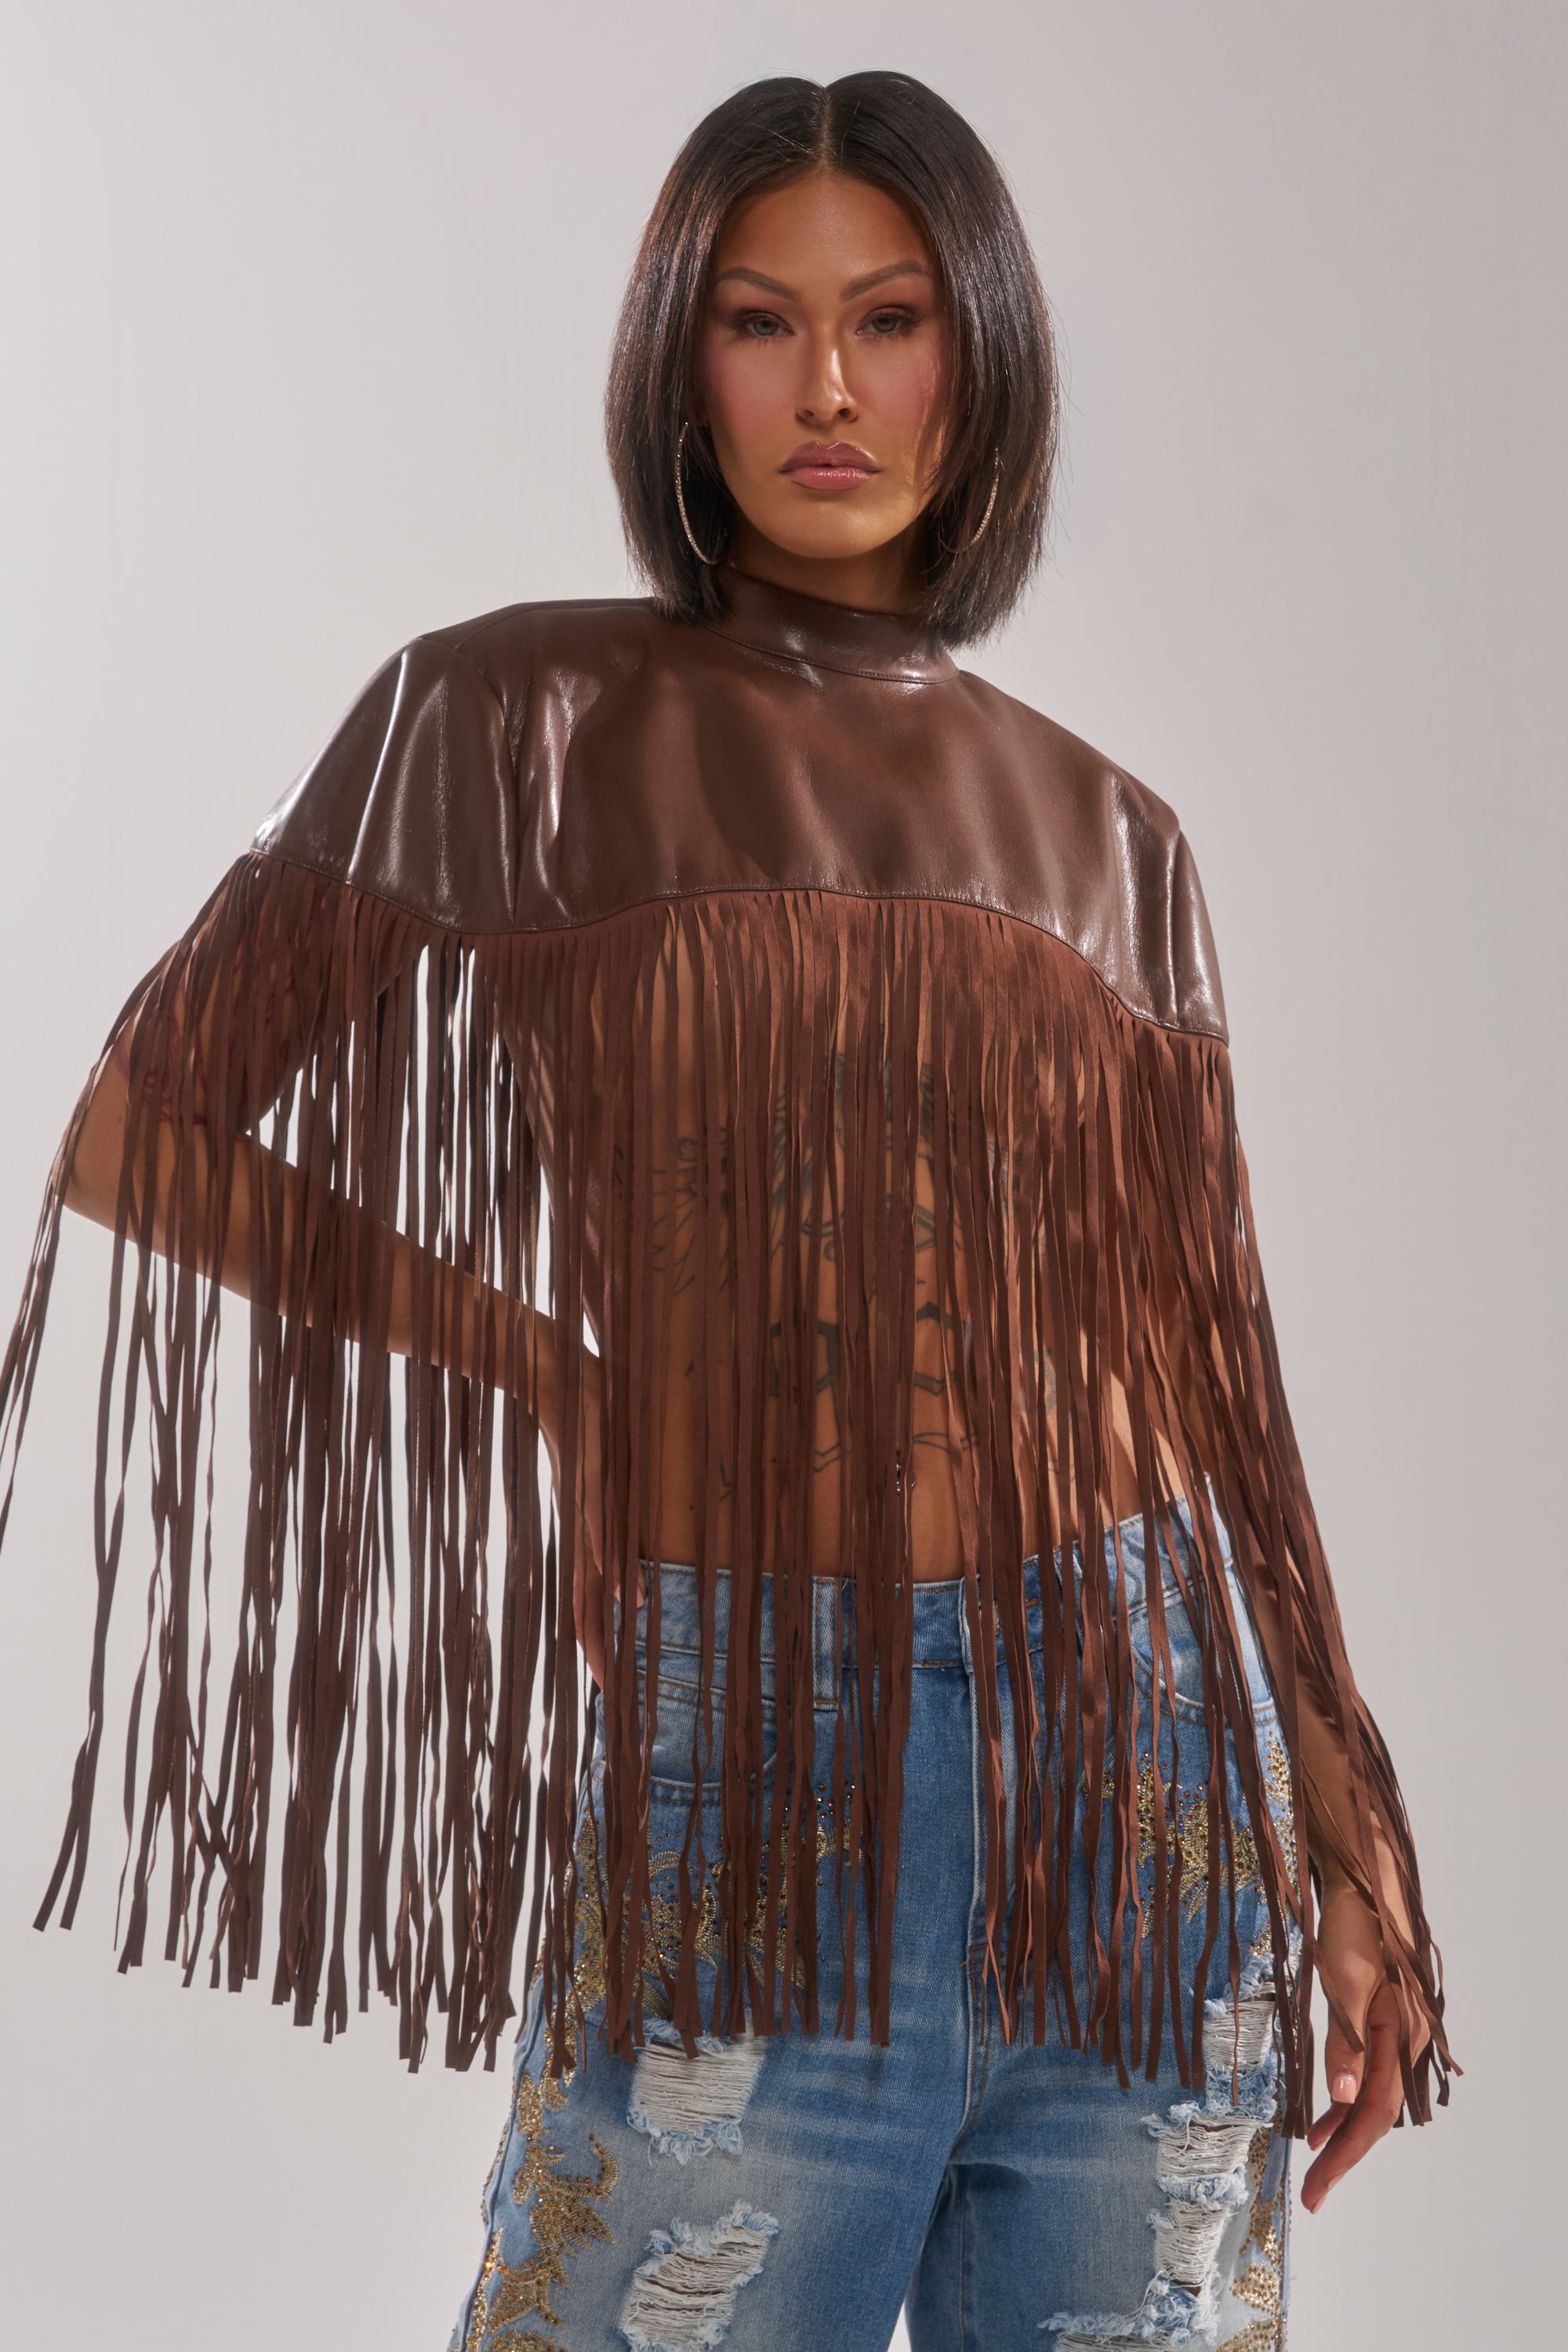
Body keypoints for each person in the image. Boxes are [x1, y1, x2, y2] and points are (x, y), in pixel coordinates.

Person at [0, 71, 1450, 2352]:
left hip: (1148, 1785)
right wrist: (552, 1369)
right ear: (682, 359)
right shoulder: (518, 717)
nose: (834, 390)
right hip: (764, 1764)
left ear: (981, 352)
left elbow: (1208, 1383)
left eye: (892, 318)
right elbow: (140, 1125)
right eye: (762, 325)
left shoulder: (1116, 837)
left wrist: (1346, 1828)